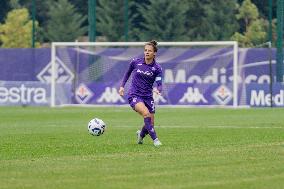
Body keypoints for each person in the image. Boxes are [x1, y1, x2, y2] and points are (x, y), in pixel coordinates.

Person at [119, 40, 163, 147]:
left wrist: (158, 90)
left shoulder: (157, 68)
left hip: (148, 97)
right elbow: (127, 74)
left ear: (154, 53)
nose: (147, 52)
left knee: (150, 123)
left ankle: (141, 135)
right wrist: (122, 86)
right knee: (146, 114)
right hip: (134, 95)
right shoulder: (136, 62)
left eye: (149, 51)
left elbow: (159, 83)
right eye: (145, 50)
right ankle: (156, 140)